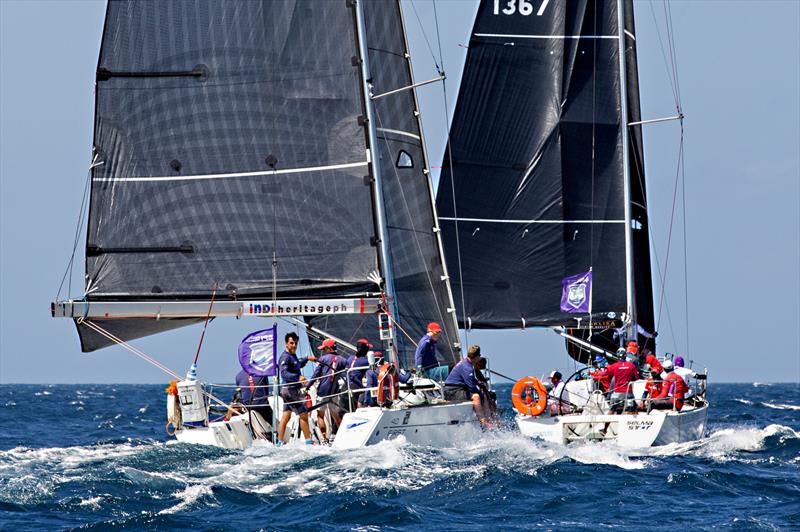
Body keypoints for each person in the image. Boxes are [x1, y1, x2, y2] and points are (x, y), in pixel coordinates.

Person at [277, 332, 316, 444]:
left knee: (286, 416)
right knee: (303, 415)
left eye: (295, 343)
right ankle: (309, 443)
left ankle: (279, 443)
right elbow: (284, 374)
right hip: (290, 390)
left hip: (287, 391)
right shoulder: (285, 357)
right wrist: (298, 377)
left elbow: (297, 364)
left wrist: (307, 358)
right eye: (291, 343)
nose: (294, 345)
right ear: (286, 344)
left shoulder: (292, 356)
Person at [306, 338, 345, 440]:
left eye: (324, 349)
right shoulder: (342, 360)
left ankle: (324, 439)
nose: (322, 351)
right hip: (335, 391)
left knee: (320, 416)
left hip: (322, 391)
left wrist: (307, 386)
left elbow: (315, 375)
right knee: (336, 416)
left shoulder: (323, 359)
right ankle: (342, 437)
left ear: (328, 348)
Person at [443, 346, 489, 425]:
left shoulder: (466, 363)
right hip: (452, 391)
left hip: (457, 389)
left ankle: (489, 418)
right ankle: (483, 421)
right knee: (476, 396)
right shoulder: (467, 367)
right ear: (477, 357)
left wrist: (479, 385)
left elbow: (471, 380)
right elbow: (472, 387)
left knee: (483, 395)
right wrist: (480, 393)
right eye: (479, 355)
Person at [344, 338, 371, 410]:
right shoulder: (365, 361)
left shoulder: (350, 358)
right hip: (356, 386)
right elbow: (371, 375)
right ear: (366, 349)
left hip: (345, 386)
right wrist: (363, 387)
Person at [473, 354, 497, 419]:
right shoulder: (473, 370)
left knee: (492, 396)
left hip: (482, 390)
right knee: (489, 398)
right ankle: (490, 417)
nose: (484, 367)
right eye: (483, 364)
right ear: (478, 363)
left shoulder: (477, 371)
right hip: (478, 392)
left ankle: (494, 416)